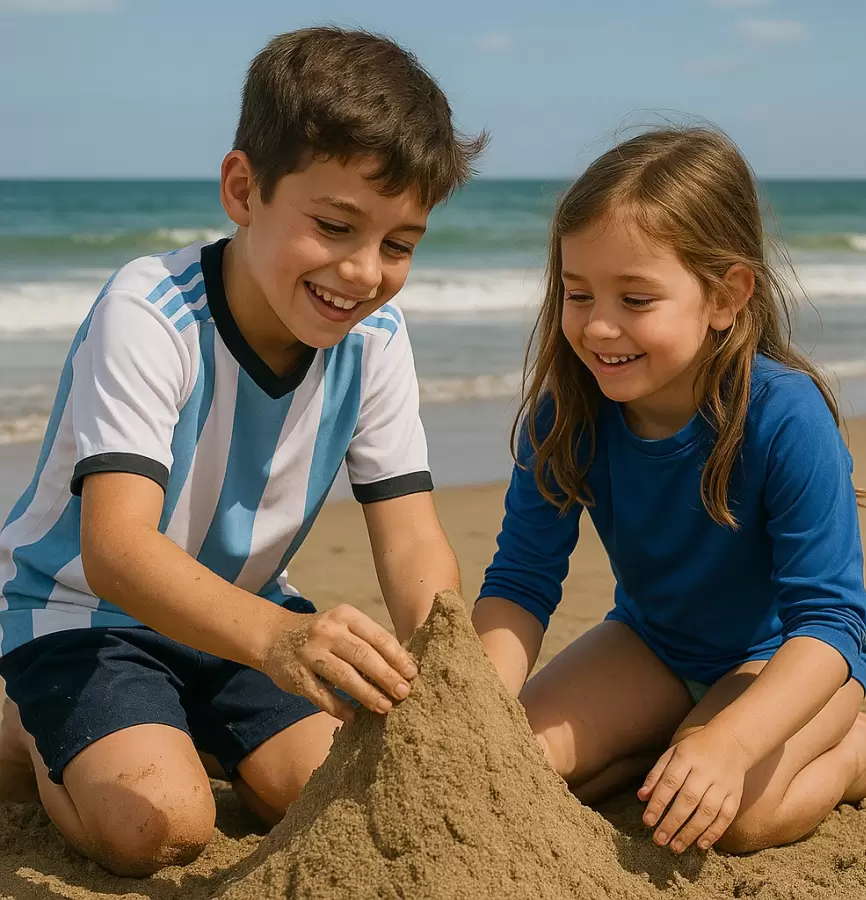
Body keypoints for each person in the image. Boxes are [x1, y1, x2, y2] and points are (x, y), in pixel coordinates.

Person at [0, 27, 485, 876]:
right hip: (82, 614)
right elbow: (114, 552)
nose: (364, 273)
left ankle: (166, 724)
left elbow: (409, 538)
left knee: (333, 790)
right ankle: (25, 724)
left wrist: (450, 677)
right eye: (335, 225)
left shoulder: (375, 342)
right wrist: (279, 642)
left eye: (399, 244)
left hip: (245, 614)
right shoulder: (150, 312)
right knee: (161, 828)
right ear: (243, 188)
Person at [474, 126, 866, 856]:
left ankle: (858, 751)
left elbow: (830, 622)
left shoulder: (784, 416)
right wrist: (476, 711)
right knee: (506, 771)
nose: (599, 325)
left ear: (725, 295)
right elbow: (520, 580)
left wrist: (731, 744)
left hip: (788, 663)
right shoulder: (566, 413)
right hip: (652, 646)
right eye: (579, 294)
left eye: (636, 298)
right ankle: (671, 743)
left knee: (735, 823)